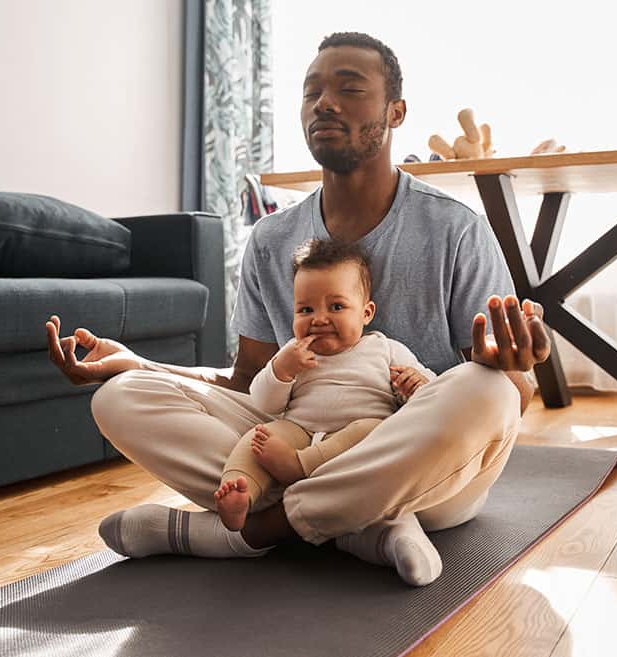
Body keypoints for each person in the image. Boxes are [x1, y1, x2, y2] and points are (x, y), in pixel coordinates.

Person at [46, 31, 553, 587]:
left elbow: (512, 400)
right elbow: (247, 383)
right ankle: (363, 527)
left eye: (349, 88)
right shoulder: (272, 239)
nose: (325, 103)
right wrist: (137, 364)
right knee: (120, 397)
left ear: (396, 111)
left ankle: (253, 531)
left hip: (423, 478)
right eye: (312, 91)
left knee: (487, 390)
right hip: (294, 443)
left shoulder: (455, 230)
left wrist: (508, 367)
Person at [214, 237, 435, 532]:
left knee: (372, 429)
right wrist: (282, 370)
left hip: (359, 439)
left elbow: (433, 397)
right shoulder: (294, 353)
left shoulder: (385, 349)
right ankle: (239, 490)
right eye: (305, 310)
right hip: (301, 430)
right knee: (260, 436)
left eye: (336, 306)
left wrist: (415, 385)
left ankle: (299, 467)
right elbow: (264, 402)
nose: (319, 319)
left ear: (366, 313)